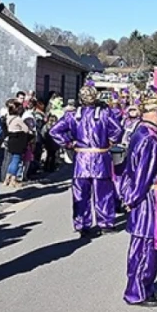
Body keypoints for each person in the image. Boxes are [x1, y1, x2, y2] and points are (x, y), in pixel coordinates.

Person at [120, 87, 157, 307]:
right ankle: (137, 291)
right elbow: (142, 174)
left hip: (152, 197)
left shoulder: (142, 132)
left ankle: (147, 285)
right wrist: (132, 198)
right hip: (150, 201)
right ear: (155, 113)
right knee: (145, 247)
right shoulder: (149, 138)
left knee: (149, 247)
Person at [49, 86, 123, 238]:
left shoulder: (72, 115)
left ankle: (82, 224)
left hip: (82, 159)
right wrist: (110, 142)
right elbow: (118, 130)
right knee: (103, 193)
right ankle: (106, 223)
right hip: (100, 158)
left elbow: (54, 131)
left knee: (80, 194)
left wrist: (69, 143)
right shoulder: (105, 113)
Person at [3, 98, 33, 188]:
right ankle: (13, 180)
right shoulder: (18, 119)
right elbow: (26, 129)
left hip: (11, 139)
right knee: (16, 160)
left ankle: (7, 179)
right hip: (18, 140)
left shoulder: (8, 118)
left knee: (12, 160)